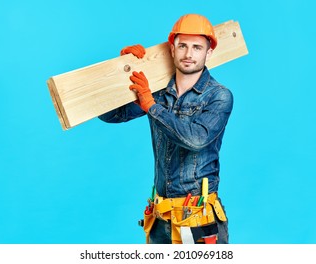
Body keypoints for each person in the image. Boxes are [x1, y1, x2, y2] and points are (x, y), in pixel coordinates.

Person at [99, 14, 233, 244]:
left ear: (208, 53)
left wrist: (151, 106)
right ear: (172, 49)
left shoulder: (219, 96)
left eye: (197, 47)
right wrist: (121, 73)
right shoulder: (157, 93)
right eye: (182, 46)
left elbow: (196, 139)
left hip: (197, 219)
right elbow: (111, 115)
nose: (189, 54)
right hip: (161, 218)